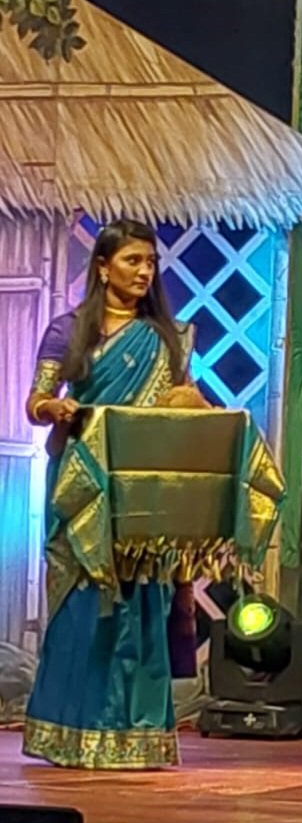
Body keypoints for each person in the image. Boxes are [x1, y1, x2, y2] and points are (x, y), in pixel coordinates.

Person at [22, 218, 210, 769]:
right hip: (84, 486)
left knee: (142, 605)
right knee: (84, 607)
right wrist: (54, 408)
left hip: (144, 486)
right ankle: (71, 733)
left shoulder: (166, 338)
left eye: (150, 262)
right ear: (103, 268)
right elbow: (36, 401)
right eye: (132, 261)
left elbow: (183, 402)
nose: (144, 271)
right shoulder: (69, 331)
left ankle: (137, 737)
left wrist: (195, 407)